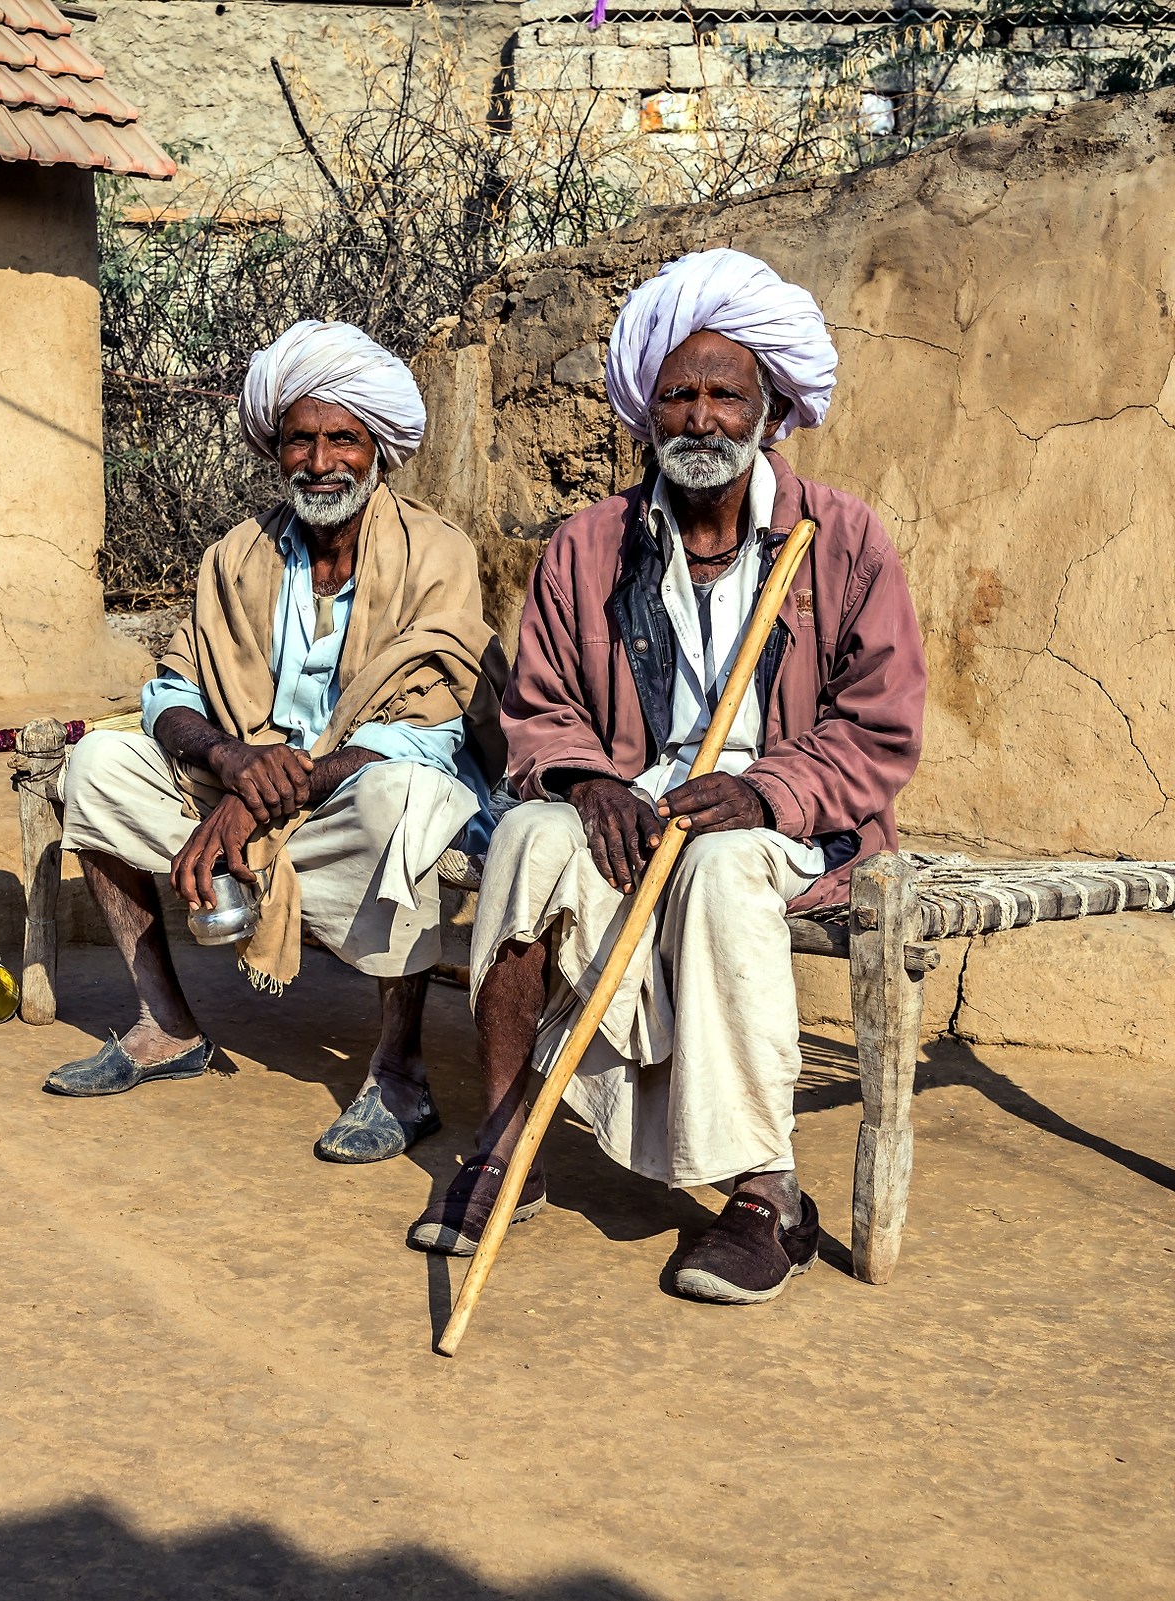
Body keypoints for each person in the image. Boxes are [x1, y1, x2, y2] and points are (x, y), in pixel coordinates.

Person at [406, 250, 927, 1304]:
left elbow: (879, 728)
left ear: (769, 407)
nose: (699, 418)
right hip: (632, 803)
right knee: (527, 840)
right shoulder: (589, 546)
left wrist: (768, 790)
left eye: (723, 394)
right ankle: (509, 1144)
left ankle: (765, 1192)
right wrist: (589, 780)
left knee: (726, 866)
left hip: (788, 820)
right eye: (677, 395)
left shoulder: (844, 541)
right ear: (647, 412)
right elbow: (540, 706)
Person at [47, 320, 503, 1165]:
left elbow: (429, 728)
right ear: (275, 447)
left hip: (351, 793)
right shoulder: (236, 557)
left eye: (343, 439)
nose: (321, 461)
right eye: (301, 439)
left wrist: (274, 789)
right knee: (98, 764)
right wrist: (230, 762)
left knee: (409, 799)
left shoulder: (437, 552)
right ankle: (165, 1025)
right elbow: (172, 693)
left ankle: (398, 1072)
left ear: (379, 449)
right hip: (236, 789)